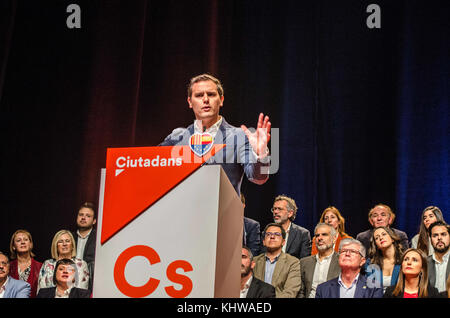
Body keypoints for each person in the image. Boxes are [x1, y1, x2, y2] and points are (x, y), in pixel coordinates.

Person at [159, 74, 271, 196]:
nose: (205, 99)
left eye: (211, 94)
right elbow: (150, 166)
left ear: (221, 100)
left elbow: (258, 178)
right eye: (199, 95)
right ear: (190, 102)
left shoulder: (239, 136)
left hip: (222, 212)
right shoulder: (177, 138)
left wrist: (261, 154)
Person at [315, 238, 383, 298]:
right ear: (339, 258)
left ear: (362, 261)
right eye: (343, 251)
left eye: (353, 251)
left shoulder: (374, 287)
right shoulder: (322, 289)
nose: (347, 254)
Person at [253, 223, 301, 298]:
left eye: (277, 234)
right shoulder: (254, 262)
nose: (272, 237)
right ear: (264, 242)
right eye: (268, 234)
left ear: (283, 242)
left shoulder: (293, 262)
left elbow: (290, 292)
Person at [298, 223, 340, 298]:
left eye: (324, 234)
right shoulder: (304, 262)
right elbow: (301, 291)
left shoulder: (341, 261)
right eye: (317, 235)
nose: (319, 238)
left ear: (334, 238)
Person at [268, 195, 311, 259]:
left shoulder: (302, 234)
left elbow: (304, 262)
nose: (275, 212)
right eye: (274, 209)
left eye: (279, 209)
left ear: (290, 213)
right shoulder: (267, 232)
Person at [364, 226, 403, 293]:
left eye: (384, 234)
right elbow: (371, 290)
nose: (381, 238)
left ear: (392, 239)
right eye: (377, 238)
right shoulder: (371, 263)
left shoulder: (404, 260)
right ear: (376, 245)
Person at [8, 229, 42, 298]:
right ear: (13, 246)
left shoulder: (41, 267)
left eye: (25, 239)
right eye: (18, 240)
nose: (22, 242)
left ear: (30, 244)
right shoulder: (8, 267)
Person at [72, 202, 97, 290]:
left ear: (94, 221)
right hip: (69, 280)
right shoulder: (69, 237)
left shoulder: (98, 238)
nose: (83, 217)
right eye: (81, 215)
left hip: (91, 283)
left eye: (88, 216)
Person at [427, 221, 450, 293]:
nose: (439, 238)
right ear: (430, 239)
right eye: (435, 235)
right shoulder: (424, 263)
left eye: (443, 234)